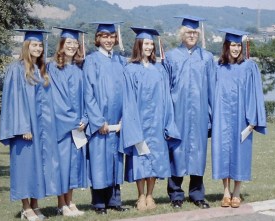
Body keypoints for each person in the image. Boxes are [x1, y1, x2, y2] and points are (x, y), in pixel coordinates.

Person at [0, 29, 62, 221]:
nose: (38, 48)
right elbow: (13, 101)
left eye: (40, 45)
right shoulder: (16, 69)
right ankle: (26, 208)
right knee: (25, 168)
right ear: (26, 46)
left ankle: (35, 205)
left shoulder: (41, 70)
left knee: (39, 166)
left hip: (42, 129)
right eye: (34, 45)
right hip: (25, 130)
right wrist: (23, 127)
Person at [121, 27, 181, 211]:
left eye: (150, 44)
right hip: (138, 123)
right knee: (140, 159)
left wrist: (168, 124)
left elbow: (167, 99)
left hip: (157, 123)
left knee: (155, 159)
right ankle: (140, 196)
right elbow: (128, 100)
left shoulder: (159, 70)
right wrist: (132, 125)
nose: (149, 46)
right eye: (145, 43)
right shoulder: (130, 69)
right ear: (139, 45)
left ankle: (150, 195)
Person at [164, 15, 216, 209]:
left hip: (200, 114)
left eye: (195, 32)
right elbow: (166, 89)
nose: (191, 35)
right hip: (177, 114)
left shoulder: (208, 57)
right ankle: (175, 194)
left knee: (198, 153)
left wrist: (212, 116)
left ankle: (197, 194)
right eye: (188, 32)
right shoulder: (171, 57)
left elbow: (212, 88)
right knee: (176, 152)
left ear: (199, 34)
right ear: (181, 34)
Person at [212, 28, 267, 208]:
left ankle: (237, 192)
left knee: (239, 154)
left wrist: (253, 120)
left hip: (242, 119)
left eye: (238, 45)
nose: (235, 49)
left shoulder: (249, 66)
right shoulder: (218, 67)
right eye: (232, 45)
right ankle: (226, 192)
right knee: (223, 153)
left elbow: (256, 93)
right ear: (226, 47)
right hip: (222, 118)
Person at [83, 21, 128, 214]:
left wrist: (124, 119)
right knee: (99, 162)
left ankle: (115, 201)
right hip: (99, 123)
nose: (109, 40)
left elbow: (127, 93)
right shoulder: (91, 61)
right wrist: (97, 120)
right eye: (105, 37)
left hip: (117, 123)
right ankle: (99, 203)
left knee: (115, 161)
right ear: (98, 39)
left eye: (111, 37)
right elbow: (88, 93)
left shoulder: (120, 61)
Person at [47, 27, 88, 217]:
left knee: (74, 164)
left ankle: (70, 201)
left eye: (74, 43)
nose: (72, 46)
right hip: (62, 126)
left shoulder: (80, 68)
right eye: (68, 43)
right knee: (62, 164)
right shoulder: (54, 68)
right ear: (61, 45)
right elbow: (56, 99)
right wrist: (72, 120)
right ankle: (61, 203)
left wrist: (85, 118)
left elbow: (88, 96)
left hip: (79, 125)